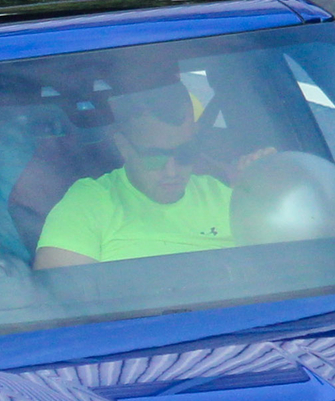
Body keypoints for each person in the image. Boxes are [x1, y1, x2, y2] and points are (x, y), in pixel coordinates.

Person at [33, 70, 236, 267]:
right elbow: (64, 294)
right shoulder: (88, 204)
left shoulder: (229, 199)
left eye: (185, 153)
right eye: (154, 157)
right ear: (123, 147)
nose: (172, 171)